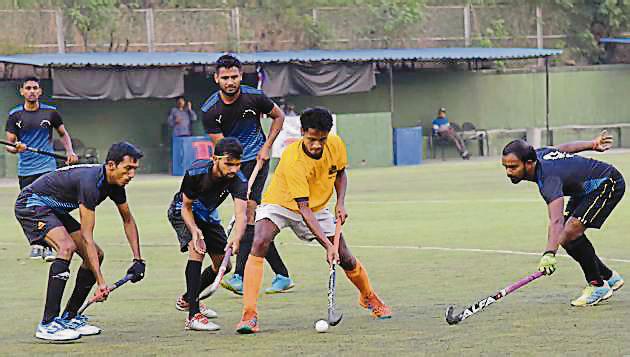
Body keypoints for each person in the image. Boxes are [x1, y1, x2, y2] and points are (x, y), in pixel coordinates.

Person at [236, 107, 392, 334]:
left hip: (317, 207)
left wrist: (340, 202)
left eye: (322, 139)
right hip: (281, 203)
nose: (317, 145)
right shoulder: (292, 159)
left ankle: (368, 297)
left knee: (346, 258)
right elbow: (303, 209)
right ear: (301, 132)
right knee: (260, 241)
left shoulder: (335, 144)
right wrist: (328, 246)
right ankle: (249, 315)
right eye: (311, 139)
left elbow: (339, 173)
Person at [14, 142, 145, 341]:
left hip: (54, 210)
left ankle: (69, 316)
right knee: (66, 247)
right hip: (32, 203)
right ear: (111, 165)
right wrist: (101, 283)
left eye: (134, 169)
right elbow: (86, 236)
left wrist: (138, 259)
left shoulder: (116, 183)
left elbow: (128, 219)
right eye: (128, 169)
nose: (131, 175)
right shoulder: (90, 183)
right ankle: (48, 324)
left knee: (96, 255)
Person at [201, 54, 294, 295]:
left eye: (234, 77)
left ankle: (240, 276)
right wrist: (230, 171)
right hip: (234, 165)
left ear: (241, 76)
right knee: (249, 220)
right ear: (216, 79)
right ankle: (282, 274)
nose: (230, 81)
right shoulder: (210, 110)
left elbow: (279, 116)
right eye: (225, 78)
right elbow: (221, 149)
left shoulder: (255, 97)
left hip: (257, 161)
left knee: (248, 215)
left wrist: (267, 146)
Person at [501, 130, 624, 307]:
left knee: (569, 232)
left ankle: (598, 285)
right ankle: (609, 277)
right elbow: (565, 149)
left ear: (529, 164)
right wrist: (591, 144)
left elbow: (556, 220)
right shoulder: (539, 154)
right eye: (505, 166)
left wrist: (549, 253)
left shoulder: (548, 179)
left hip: (607, 184)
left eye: (513, 167)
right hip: (582, 189)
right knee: (566, 237)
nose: (508, 172)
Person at [167, 137, 247, 331]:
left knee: (224, 265)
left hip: (208, 216)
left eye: (237, 165)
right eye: (228, 164)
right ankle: (193, 315)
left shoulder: (237, 179)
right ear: (215, 159)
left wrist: (237, 238)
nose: (233, 170)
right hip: (183, 212)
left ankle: (187, 298)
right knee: (198, 250)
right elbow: (186, 207)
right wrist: (195, 232)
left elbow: (241, 213)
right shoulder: (196, 172)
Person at [5, 77, 79, 261]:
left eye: (35, 88)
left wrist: (70, 151)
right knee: (32, 209)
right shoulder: (15, 115)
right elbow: (9, 145)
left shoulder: (51, 113)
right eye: (28, 88)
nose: (31, 91)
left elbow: (63, 134)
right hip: (26, 171)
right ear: (22, 91)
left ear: (40, 91)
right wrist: (16, 147)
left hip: (47, 169)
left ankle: (50, 247)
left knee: (49, 207)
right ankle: (37, 244)